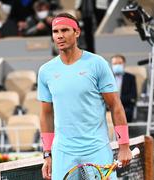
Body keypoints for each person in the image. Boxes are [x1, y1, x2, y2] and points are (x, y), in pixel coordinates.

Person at [37, 12, 132, 180]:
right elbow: (46, 113)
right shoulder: (45, 71)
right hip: (63, 151)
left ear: (77, 32)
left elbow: (115, 105)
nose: (59, 36)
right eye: (55, 31)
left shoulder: (97, 64)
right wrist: (47, 154)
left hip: (97, 149)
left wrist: (124, 146)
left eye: (65, 30)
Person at [111, 54, 137, 122]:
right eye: (115, 64)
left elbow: (133, 96)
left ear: (124, 64)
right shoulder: (107, 78)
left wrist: (117, 101)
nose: (117, 65)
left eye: (119, 63)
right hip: (110, 107)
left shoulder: (131, 78)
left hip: (125, 107)